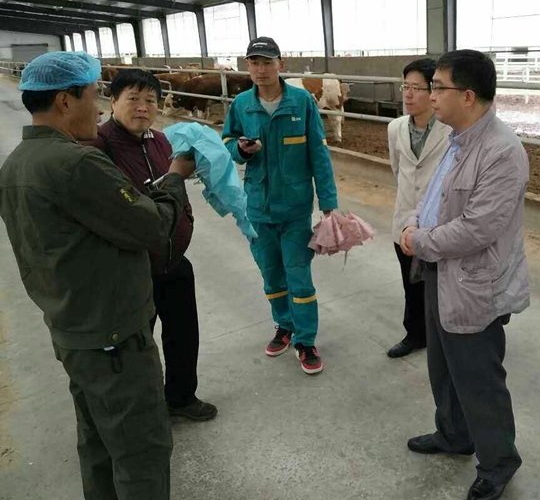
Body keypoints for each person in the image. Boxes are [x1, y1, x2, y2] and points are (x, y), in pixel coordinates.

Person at [0, 51, 195, 499]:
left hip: (73, 330)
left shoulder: (15, 165)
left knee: (98, 443)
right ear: (65, 101)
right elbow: (150, 226)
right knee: (141, 451)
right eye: (93, 95)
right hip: (114, 337)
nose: (99, 108)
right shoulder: (77, 163)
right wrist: (174, 179)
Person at [400, 50, 530, 500]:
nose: (430, 96)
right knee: (443, 367)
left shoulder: (502, 151)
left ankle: (498, 463)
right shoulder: (458, 140)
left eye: (438, 87)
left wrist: (419, 241)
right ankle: (454, 434)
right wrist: (413, 223)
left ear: (469, 96)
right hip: (441, 273)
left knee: (479, 379)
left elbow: (478, 228)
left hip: (474, 283)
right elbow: (433, 196)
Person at [86, 69, 217, 421]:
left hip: (172, 259)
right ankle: (143, 413)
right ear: (113, 101)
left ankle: (181, 397)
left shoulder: (161, 141)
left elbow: (176, 184)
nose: (143, 107)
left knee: (183, 334)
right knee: (136, 346)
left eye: (150, 100)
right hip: (129, 267)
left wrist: (185, 218)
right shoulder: (97, 147)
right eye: (133, 99)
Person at [222, 37, 338, 375]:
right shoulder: (242, 104)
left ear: (280, 65)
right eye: (254, 62)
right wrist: (240, 150)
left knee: (299, 278)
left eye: (267, 62)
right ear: (247, 66)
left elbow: (318, 153)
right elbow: (227, 141)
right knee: (271, 275)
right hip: (257, 207)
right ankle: (284, 325)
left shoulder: (301, 102)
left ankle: (306, 340)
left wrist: (328, 202)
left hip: (295, 209)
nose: (260, 69)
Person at [386, 58, 451, 358]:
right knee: (410, 284)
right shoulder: (395, 128)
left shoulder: (450, 131)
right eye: (405, 87)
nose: (408, 95)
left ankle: (443, 337)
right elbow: (397, 169)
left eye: (416, 88)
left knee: (439, 285)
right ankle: (414, 335)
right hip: (404, 221)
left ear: (433, 91)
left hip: (438, 225)